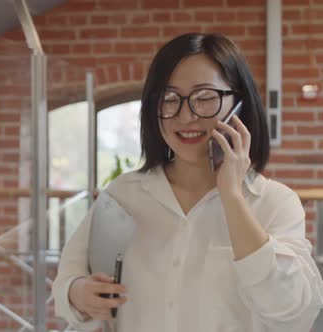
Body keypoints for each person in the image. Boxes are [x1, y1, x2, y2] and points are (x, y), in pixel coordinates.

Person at [52, 33, 323, 332]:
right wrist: (78, 294)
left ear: (239, 104)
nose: (185, 116)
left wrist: (232, 196)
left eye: (204, 98)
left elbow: (293, 314)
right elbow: (67, 281)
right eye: (169, 99)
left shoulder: (274, 202)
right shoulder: (121, 196)